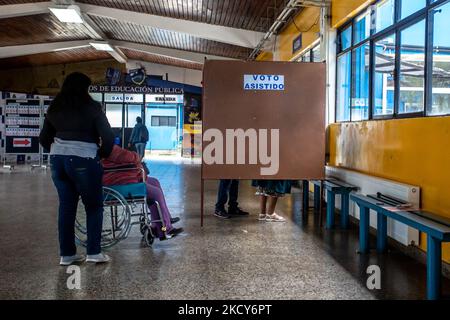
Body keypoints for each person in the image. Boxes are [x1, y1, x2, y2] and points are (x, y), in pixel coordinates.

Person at [39, 72, 115, 266]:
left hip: (57, 160)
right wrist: (102, 154)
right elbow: (107, 137)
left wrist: (58, 151)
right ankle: (94, 252)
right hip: (84, 159)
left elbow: (43, 138)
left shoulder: (55, 107)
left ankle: (67, 255)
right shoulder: (92, 107)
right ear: (84, 88)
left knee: (66, 207)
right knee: (94, 206)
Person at [102, 145, 183, 239]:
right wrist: (136, 156)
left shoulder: (110, 148)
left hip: (125, 181)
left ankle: (162, 222)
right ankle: (166, 228)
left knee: (155, 182)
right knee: (156, 193)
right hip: (121, 185)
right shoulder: (109, 150)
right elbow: (132, 157)